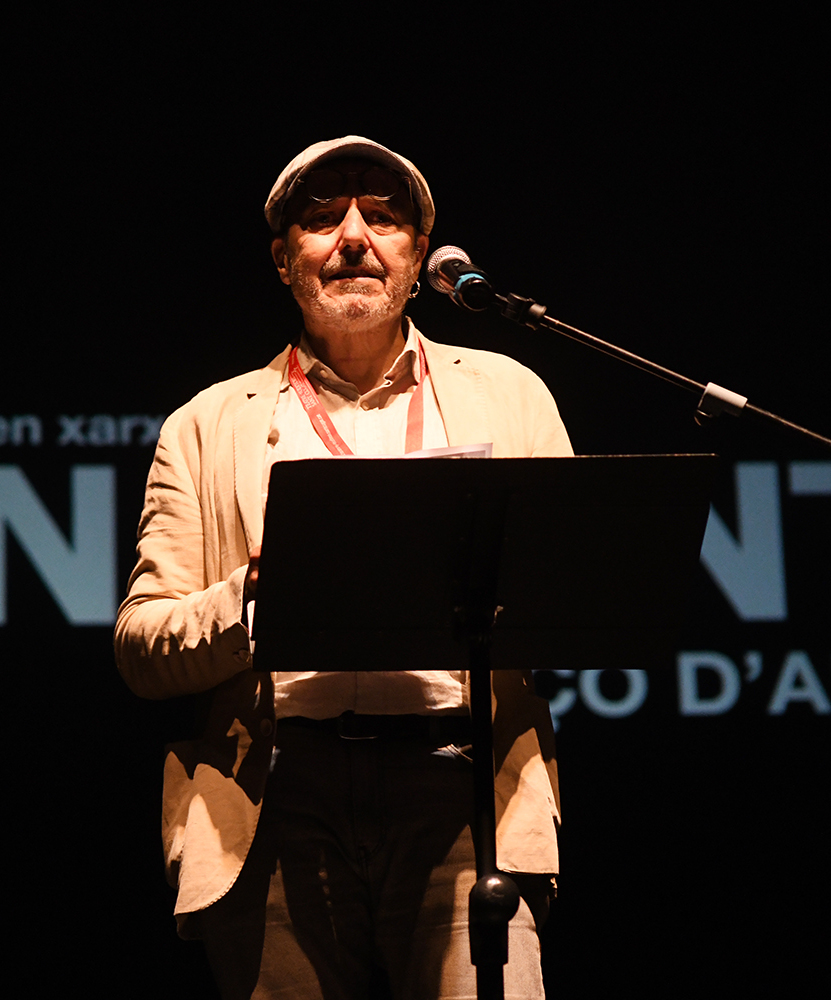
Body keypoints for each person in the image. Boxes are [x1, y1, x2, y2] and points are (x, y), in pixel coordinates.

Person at [115, 136, 572, 999]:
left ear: (418, 258)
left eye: (384, 218)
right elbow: (142, 647)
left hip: (462, 789)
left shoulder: (510, 394)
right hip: (278, 798)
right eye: (323, 218)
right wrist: (248, 598)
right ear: (284, 259)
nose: (354, 237)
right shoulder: (205, 423)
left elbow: (572, 595)